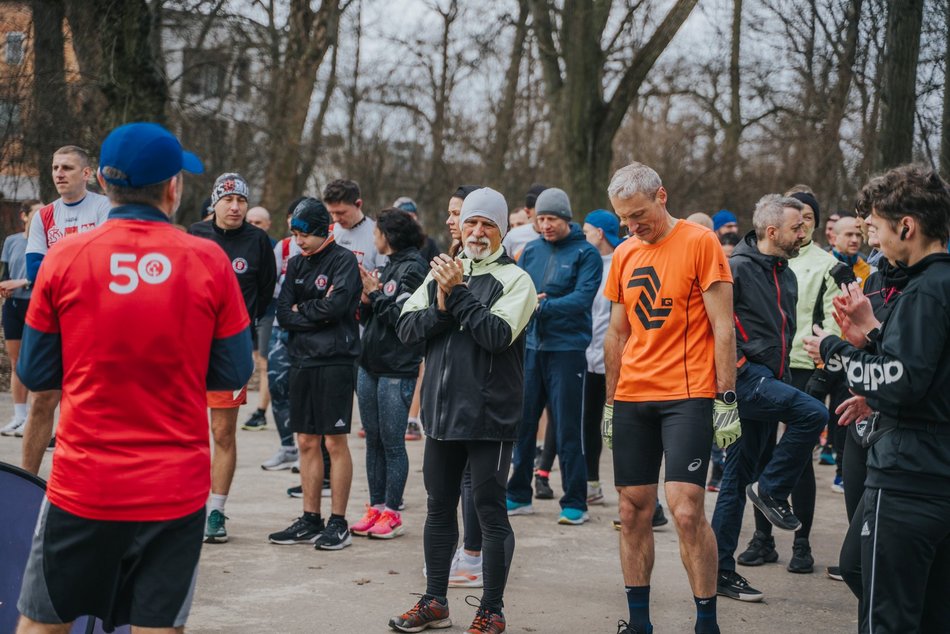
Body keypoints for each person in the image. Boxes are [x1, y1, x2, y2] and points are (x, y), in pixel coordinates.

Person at [15, 121, 252, 633]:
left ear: (101, 181)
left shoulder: (63, 258)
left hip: (84, 484)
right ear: (174, 188)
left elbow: (35, 372)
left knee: (41, 624)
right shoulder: (209, 260)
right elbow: (234, 372)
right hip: (174, 490)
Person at [804, 164, 950, 633]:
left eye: (878, 229)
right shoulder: (934, 286)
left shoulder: (926, 291)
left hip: (911, 476)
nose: (874, 242)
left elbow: (901, 380)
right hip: (931, 471)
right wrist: (874, 332)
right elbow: (924, 366)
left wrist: (836, 349)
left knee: (887, 617)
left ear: (907, 226)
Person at [391, 187, 537, 634]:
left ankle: (491, 610)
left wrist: (455, 296)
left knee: (490, 511)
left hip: (490, 418)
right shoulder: (445, 274)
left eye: (487, 224)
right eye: (470, 222)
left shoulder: (517, 281)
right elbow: (406, 328)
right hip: (441, 414)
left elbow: (495, 334)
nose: (476, 231)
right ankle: (435, 601)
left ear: (502, 230)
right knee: (438, 508)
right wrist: (443, 302)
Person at [603, 163, 738, 634]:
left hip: (688, 394)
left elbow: (723, 326)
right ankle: (639, 623)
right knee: (631, 509)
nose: (633, 226)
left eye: (639, 214)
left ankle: (706, 622)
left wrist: (727, 397)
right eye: (624, 220)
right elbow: (617, 334)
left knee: (685, 511)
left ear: (662, 195)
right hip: (633, 396)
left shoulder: (701, 243)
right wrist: (608, 401)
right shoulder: (624, 254)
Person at [710, 195, 828, 603]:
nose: (804, 233)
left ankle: (720, 573)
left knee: (733, 481)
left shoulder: (786, 273)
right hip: (744, 380)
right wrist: (740, 367)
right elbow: (711, 325)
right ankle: (773, 490)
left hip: (770, 379)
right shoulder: (736, 268)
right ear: (773, 232)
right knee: (813, 413)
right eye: (798, 227)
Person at [741, 189, 852, 573]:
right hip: (768, 366)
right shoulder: (764, 258)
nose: (801, 224)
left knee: (800, 457)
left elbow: (835, 320)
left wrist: (824, 372)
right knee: (763, 452)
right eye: (796, 217)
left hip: (808, 367)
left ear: (816, 223)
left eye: (807, 218)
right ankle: (762, 539)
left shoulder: (825, 264)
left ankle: (801, 543)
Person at [188, 173, 277, 543]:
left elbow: (266, 291)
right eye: (228, 200)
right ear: (215, 203)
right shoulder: (194, 234)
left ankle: (216, 511)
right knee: (186, 430)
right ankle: (185, 507)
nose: (236, 207)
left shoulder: (258, 242)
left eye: (241, 200)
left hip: (231, 349)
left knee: (222, 432)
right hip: (190, 345)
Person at [268, 198, 361, 550]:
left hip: (335, 360)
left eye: (304, 234)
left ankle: (338, 522)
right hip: (301, 359)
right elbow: (282, 311)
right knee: (305, 441)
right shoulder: (294, 263)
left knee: (333, 442)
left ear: (324, 231)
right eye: (294, 233)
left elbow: (338, 306)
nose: (299, 241)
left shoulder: (344, 261)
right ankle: (310, 518)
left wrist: (303, 310)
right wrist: (313, 312)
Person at [505, 187, 602, 525]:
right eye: (541, 218)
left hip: (568, 350)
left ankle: (575, 500)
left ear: (566, 219)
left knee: (566, 426)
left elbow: (582, 298)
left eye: (552, 219)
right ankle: (518, 495)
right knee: (524, 422)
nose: (545, 225)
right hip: (531, 348)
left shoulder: (585, 254)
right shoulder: (530, 251)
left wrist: (542, 306)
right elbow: (517, 291)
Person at [19, 146, 111, 466]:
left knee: (83, 404)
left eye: (68, 168)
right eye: (55, 167)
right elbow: (34, 271)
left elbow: (103, 265)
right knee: (43, 400)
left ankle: (79, 481)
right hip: (54, 319)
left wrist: (60, 266)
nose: (59, 173)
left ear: (87, 174)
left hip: (94, 322)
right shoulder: (44, 215)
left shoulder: (104, 208)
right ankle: (28, 480)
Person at [350, 209, 427, 539]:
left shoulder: (414, 269)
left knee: (393, 443)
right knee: (374, 441)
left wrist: (378, 295)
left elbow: (402, 317)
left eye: (378, 232)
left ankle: (393, 512)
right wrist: (367, 298)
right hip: (370, 364)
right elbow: (375, 317)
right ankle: (376, 506)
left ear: (390, 235)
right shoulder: (387, 265)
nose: (374, 237)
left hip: (398, 367)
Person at [580, 209, 621, 505]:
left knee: (620, 427)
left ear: (600, 233)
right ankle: (591, 483)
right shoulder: (586, 263)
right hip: (587, 357)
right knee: (588, 422)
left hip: (618, 359)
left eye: (586, 231)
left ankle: (633, 493)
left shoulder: (622, 261)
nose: (583, 237)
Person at [261, 202, 304, 472]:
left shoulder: (329, 246)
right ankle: (287, 446)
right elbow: (271, 283)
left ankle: (309, 451)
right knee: (277, 384)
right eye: (292, 220)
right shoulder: (284, 248)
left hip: (311, 328)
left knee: (305, 390)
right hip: (282, 323)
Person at [0, 200, 40, 437]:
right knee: (16, 364)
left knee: (33, 364)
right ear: (25, 216)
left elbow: (47, 273)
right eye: (37, 212)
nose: (44, 216)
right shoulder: (12, 241)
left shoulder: (48, 242)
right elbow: (5, 274)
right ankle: (19, 416)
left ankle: (32, 419)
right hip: (13, 306)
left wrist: (23, 283)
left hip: (37, 305)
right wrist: (4, 286)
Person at [324, 179, 386, 272]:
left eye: (341, 213)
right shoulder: (328, 233)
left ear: (358, 204)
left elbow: (383, 276)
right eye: (331, 213)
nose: (335, 219)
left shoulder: (379, 234)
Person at [501, 183, 547, 260]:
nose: (546, 224)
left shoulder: (563, 235)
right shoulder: (512, 236)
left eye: (551, 217)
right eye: (540, 213)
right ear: (528, 212)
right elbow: (502, 264)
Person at [393, 196, 440, 262]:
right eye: (406, 216)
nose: (410, 220)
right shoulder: (391, 243)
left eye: (412, 216)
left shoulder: (428, 243)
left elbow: (437, 266)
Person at [832, 213, 872, 287]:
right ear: (834, 238)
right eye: (849, 234)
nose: (855, 240)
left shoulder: (867, 269)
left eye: (858, 235)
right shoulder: (824, 264)